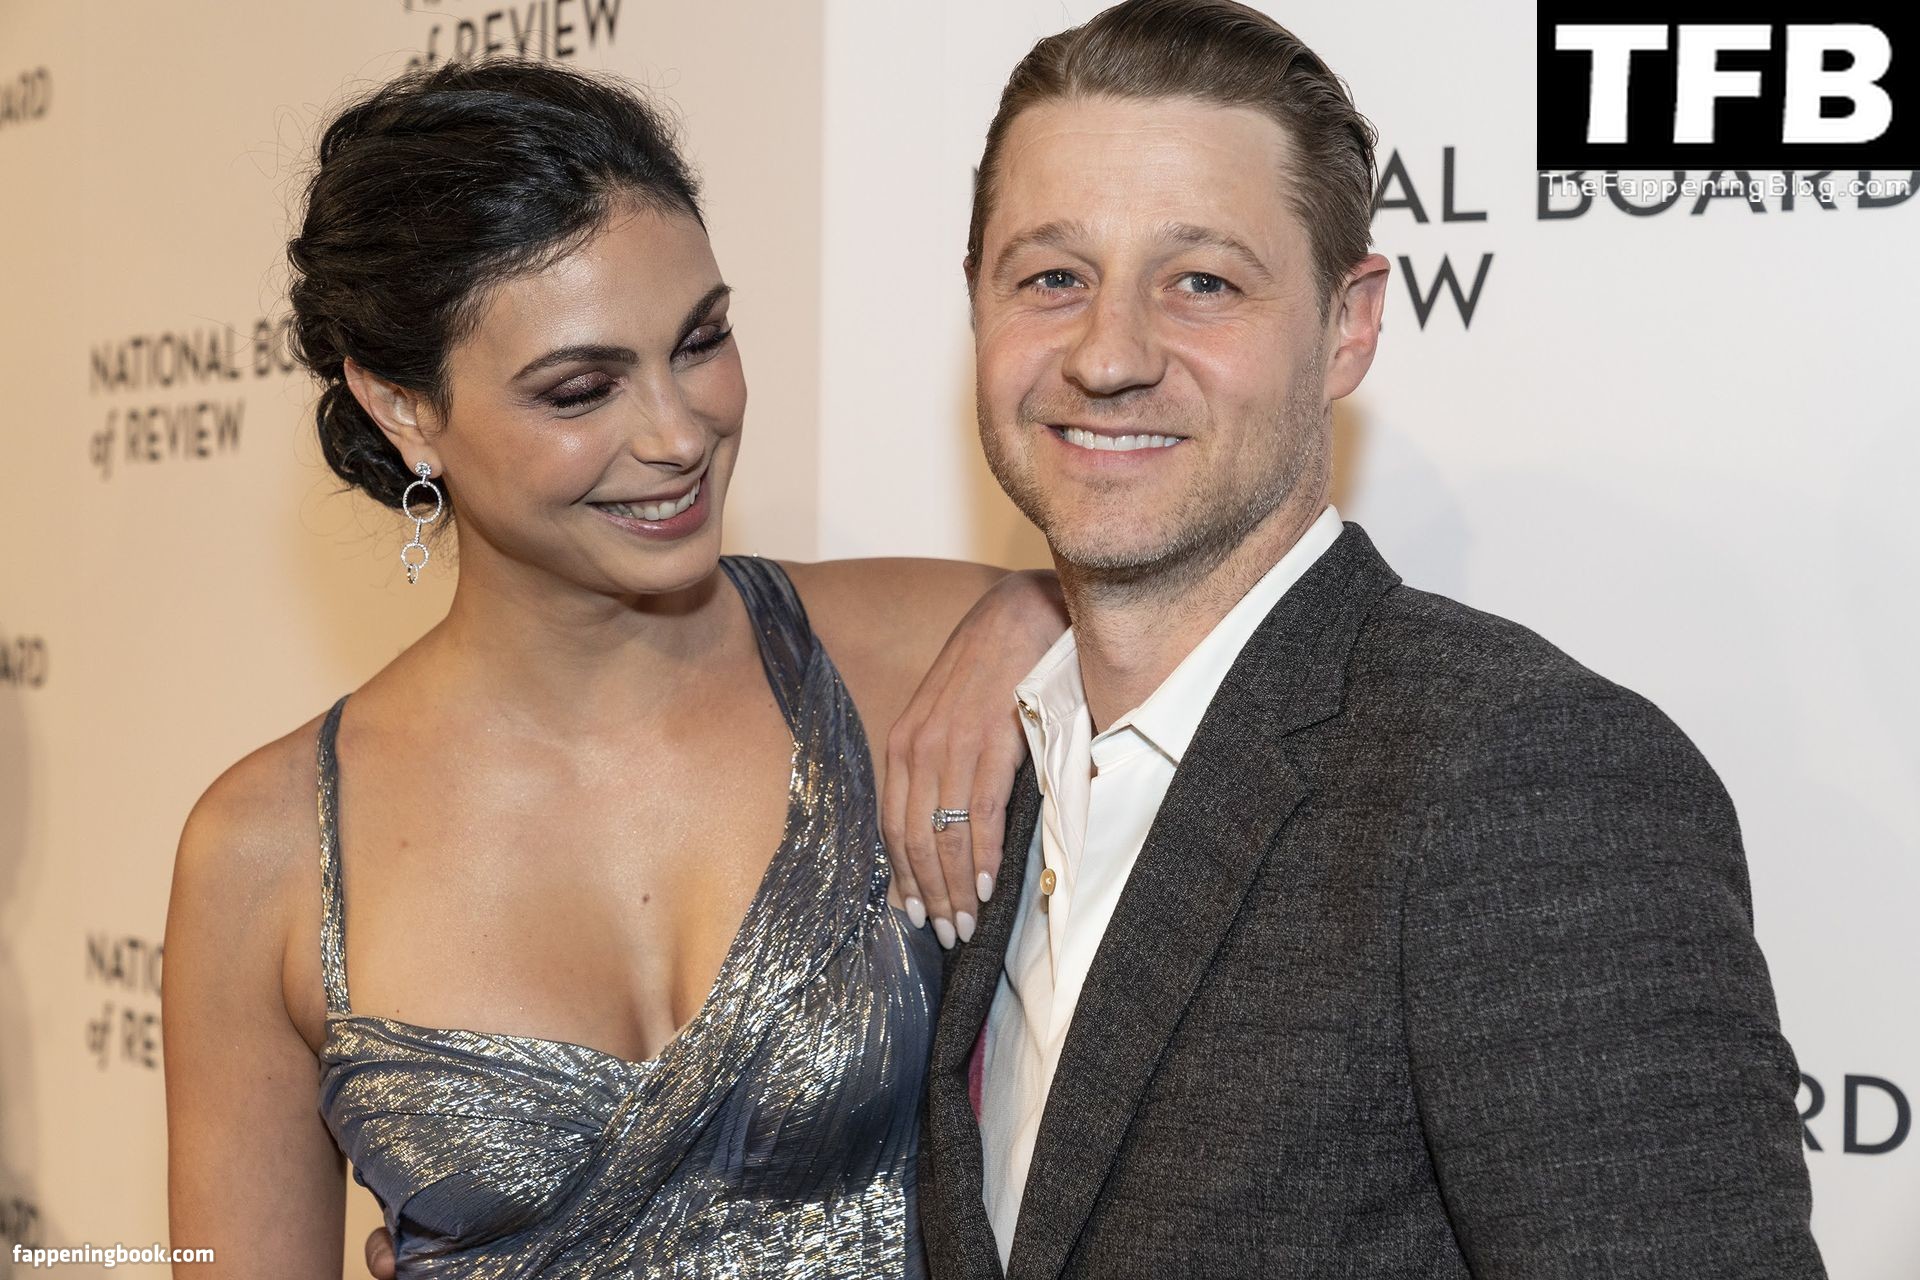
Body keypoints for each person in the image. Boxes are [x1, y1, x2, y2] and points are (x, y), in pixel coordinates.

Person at [907, 2, 1828, 1276]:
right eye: (1052, 277)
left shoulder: (1522, 778)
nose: (1108, 355)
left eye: (1203, 282)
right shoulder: (991, 768)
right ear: (977, 305)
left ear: (1349, 323)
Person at [161, 60, 1064, 1278]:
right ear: (401, 405)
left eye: (701, 340)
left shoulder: (932, 651)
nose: (679, 432)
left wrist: (1044, 610)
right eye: (581, 388)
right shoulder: (265, 851)